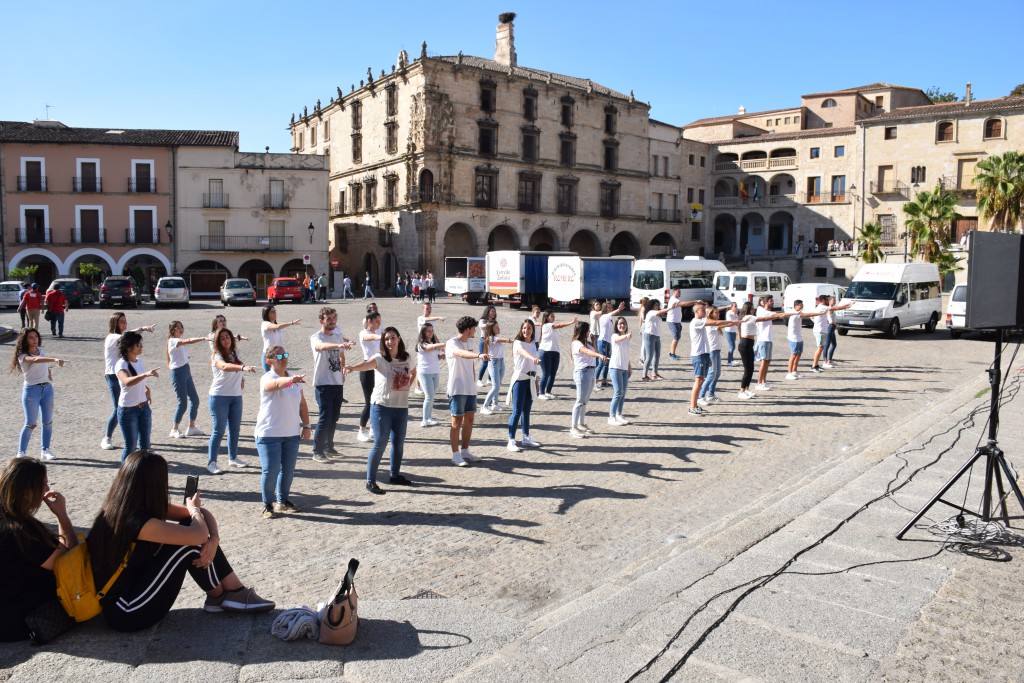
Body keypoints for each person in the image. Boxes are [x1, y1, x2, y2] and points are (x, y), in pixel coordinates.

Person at [87, 450, 273, 632]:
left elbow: (201, 516)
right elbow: (198, 534)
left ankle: (231, 593)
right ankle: (223, 595)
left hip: (135, 589)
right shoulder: (135, 521)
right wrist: (195, 511)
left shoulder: (127, 505)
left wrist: (214, 538)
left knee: (188, 526)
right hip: (126, 610)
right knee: (187, 544)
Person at [0, 458, 79, 642]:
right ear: (27, 492)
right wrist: (62, 516)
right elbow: (70, 563)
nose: (46, 489)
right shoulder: (21, 531)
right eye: (43, 484)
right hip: (17, 621)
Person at [345, 327, 416, 494]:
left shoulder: (407, 358)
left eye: (392, 338)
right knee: (380, 443)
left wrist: (406, 386)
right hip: (381, 406)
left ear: (398, 338)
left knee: (398, 443)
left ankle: (395, 475)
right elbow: (366, 365)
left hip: (401, 406)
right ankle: (370, 481)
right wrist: (352, 368)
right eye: (386, 339)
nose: (390, 341)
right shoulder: (380, 358)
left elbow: (413, 372)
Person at [255, 345, 311, 518]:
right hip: (269, 433)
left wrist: (307, 426)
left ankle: (283, 501)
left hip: (291, 433)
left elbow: (302, 404)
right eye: (279, 356)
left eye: (285, 355)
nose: (284, 358)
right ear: (269, 360)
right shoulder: (267, 377)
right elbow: (273, 385)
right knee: (270, 470)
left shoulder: (294, 380)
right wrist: (291, 381)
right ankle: (267, 504)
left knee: (288, 470)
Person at [208, 328, 257, 474]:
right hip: (219, 396)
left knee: (235, 429)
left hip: (236, 396)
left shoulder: (234, 353)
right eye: (222, 338)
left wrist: (242, 377)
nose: (226, 340)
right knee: (219, 430)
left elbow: (235, 368)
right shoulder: (216, 356)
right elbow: (224, 367)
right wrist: (242, 367)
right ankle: (211, 462)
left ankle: (233, 458)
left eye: (227, 337)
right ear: (218, 341)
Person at [102, 314, 155, 451]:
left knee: (134, 404)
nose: (124, 325)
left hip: (129, 373)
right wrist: (142, 329)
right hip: (114, 375)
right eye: (121, 322)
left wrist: (145, 387)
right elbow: (128, 337)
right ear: (114, 323)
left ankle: (137, 437)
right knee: (119, 407)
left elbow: (129, 336)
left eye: (125, 322)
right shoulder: (112, 337)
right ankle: (107, 437)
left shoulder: (136, 360)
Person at [12, 329, 65, 460]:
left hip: (47, 389)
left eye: (36, 336)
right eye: (31, 337)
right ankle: (21, 452)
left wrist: (48, 372)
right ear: (25, 340)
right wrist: (54, 359)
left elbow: (43, 364)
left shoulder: (41, 350)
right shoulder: (22, 356)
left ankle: (45, 450)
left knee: (48, 421)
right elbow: (35, 360)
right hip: (31, 391)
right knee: (30, 423)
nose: (34, 339)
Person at [310, 307, 352, 461]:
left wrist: (342, 370)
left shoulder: (337, 335)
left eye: (334, 318)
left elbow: (341, 355)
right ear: (322, 320)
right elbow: (321, 347)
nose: (332, 321)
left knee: (334, 417)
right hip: (323, 383)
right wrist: (339, 345)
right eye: (329, 319)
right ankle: (317, 451)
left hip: (337, 382)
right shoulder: (316, 337)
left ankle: (329, 447)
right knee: (324, 417)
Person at [447, 316, 487, 466]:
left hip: (470, 388)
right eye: (474, 328)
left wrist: (474, 383)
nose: (475, 331)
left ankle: (465, 451)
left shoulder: (470, 342)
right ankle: (455, 454)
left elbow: (470, 365)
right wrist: (478, 355)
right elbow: (461, 354)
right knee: (456, 421)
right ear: (468, 329)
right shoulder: (452, 343)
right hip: (457, 388)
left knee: (469, 420)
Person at [115, 331, 158, 463]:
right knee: (131, 447)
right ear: (129, 348)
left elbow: (138, 381)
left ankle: (143, 476)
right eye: (138, 344)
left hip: (143, 407)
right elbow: (127, 381)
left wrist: (146, 389)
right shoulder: (121, 364)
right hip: (128, 410)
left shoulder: (139, 361)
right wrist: (146, 375)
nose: (141, 346)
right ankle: (125, 477)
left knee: (145, 446)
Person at [689, 303, 739, 415]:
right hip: (699, 355)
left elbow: (717, 323)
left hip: (704, 354)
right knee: (699, 381)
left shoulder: (702, 321)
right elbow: (716, 322)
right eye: (703, 310)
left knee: (703, 379)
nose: (705, 312)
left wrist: (732, 322)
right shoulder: (697, 322)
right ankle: (693, 406)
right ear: (697, 312)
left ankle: (696, 404)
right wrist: (733, 322)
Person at [166, 321, 207, 439]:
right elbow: (188, 341)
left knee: (195, 400)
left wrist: (185, 358)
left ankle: (191, 427)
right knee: (182, 403)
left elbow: (176, 356)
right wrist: (202, 338)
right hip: (178, 373)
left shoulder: (177, 342)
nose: (181, 330)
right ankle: (174, 429)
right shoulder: (173, 341)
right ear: (173, 330)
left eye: (182, 327)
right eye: (178, 328)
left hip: (186, 370)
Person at [569, 322, 608, 438]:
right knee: (579, 400)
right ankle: (573, 427)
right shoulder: (576, 343)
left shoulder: (588, 343)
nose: (589, 332)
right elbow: (587, 352)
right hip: (582, 372)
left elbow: (593, 350)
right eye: (587, 330)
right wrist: (599, 355)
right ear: (582, 331)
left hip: (591, 372)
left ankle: (581, 424)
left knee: (585, 400)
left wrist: (594, 342)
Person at [506, 319, 541, 452]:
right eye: (524, 328)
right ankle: (511, 440)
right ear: (521, 330)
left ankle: (526, 437)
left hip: (530, 380)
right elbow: (524, 353)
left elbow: (534, 365)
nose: (526, 331)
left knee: (526, 411)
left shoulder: (533, 344)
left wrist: (536, 380)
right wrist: (532, 358)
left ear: (533, 331)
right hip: (520, 380)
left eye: (529, 328)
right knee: (516, 411)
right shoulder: (517, 343)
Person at [641, 299, 684, 381]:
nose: (657, 306)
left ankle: (654, 374)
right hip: (649, 336)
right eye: (655, 305)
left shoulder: (658, 314)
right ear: (651, 306)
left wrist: (671, 310)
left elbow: (663, 313)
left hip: (657, 336)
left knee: (657, 356)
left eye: (658, 305)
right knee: (649, 356)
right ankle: (644, 375)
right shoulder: (651, 312)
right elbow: (660, 312)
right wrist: (670, 307)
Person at [537, 311, 578, 399]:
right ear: (547, 317)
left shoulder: (551, 326)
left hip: (555, 352)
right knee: (546, 373)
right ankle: (541, 393)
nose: (553, 317)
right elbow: (559, 325)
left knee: (552, 374)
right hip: (545, 352)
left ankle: (548, 392)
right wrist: (571, 322)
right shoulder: (547, 325)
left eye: (554, 316)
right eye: (552, 316)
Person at [356, 312, 382, 443]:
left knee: (377, 400)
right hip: (367, 370)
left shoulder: (379, 333)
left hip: (378, 369)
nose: (379, 323)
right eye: (377, 321)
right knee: (368, 402)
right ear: (369, 321)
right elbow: (369, 337)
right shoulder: (364, 333)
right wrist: (380, 337)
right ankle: (361, 429)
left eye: (380, 321)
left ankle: (373, 427)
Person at [785, 300, 826, 380]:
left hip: (799, 337)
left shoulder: (798, 312)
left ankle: (794, 371)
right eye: (800, 305)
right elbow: (809, 314)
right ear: (796, 306)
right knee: (793, 355)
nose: (802, 306)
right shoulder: (795, 313)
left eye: (802, 304)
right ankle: (789, 373)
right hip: (793, 338)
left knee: (798, 354)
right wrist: (819, 313)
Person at [754, 296, 787, 391]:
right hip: (763, 340)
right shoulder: (761, 311)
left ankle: (764, 381)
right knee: (764, 362)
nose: (772, 302)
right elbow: (776, 315)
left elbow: (776, 314)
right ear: (764, 303)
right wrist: (787, 313)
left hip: (768, 339)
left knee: (767, 362)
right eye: (770, 301)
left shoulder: (766, 311)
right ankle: (759, 383)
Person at [415, 323, 445, 427]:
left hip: (435, 371)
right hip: (425, 373)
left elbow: (437, 355)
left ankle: (429, 418)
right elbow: (430, 348)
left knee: (431, 396)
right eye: (428, 331)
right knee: (429, 396)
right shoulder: (421, 344)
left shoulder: (433, 343)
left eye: (432, 330)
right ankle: (424, 420)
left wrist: (442, 355)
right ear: (423, 332)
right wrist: (443, 344)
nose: (431, 333)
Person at [480, 321, 512, 414]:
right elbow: (500, 340)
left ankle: (494, 404)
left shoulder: (496, 337)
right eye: (496, 327)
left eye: (498, 326)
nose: (498, 328)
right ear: (491, 329)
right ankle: (484, 406)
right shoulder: (491, 338)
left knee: (498, 385)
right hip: (493, 363)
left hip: (501, 361)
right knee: (495, 386)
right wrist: (510, 340)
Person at [260, 305, 301, 372]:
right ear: (266, 314)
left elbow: (280, 341)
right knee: (270, 378)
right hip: (269, 356)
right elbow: (277, 326)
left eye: (275, 311)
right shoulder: (265, 324)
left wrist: (284, 355)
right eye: (272, 312)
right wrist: (292, 323)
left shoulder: (276, 324)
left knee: (282, 376)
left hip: (279, 355)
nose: (275, 313)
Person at [607, 317, 632, 425]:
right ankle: (611, 417)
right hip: (615, 367)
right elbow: (617, 340)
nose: (622, 325)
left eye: (623, 324)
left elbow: (626, 353)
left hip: (624, 368)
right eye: (620, 324)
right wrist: (626, 336)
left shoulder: (626, 338)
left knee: (623, 393)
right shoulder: (614, 336)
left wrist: (629, 366)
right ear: (616, 326)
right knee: (618, 392)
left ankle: (619, 414)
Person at [595, 300, 626, 389]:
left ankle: (604, 381)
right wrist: (619, 309)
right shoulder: (604, 316)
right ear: (606, 308)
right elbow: (613, 313)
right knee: (601, 362)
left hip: (607, 342)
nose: (611, 308)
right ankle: (594, 382)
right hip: (603, 342)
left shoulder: (610, 318)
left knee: (606, 362)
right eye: (610, 307)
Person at [476, 305, 498, 386]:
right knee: (485, 361)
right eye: (492, 311)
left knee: (491, 360)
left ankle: (489, 379)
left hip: (492, 341)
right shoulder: (483, 320)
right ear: (488, 312)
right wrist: (490, 324)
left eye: (494, 311)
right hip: (484, 341)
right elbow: (481, 326)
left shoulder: (493, 321)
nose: (493, 313)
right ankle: (479, 380)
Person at [666, 288, 685, 360]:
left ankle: (672, 353)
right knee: (676, 337)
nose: (680, 293)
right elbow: (684, 304)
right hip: (672, 321)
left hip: (677, 321)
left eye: (680, 292)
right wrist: (695, 302)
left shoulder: (674, 299)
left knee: (677, 337)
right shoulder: (674, 300)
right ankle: (672, 354)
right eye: (678, 292)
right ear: (674, 292)